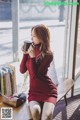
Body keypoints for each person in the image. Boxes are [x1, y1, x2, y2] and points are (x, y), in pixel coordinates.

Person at [20, 24, 58, 120]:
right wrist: (25, 55)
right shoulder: (31, 49)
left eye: (34, 36)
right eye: (31, 35)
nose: (31, 38)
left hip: (48, 91)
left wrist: (32, 57)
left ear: (41, 37)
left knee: (46, 116)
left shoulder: (49, 55)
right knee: (36, 112)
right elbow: (22, 70)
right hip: (34, 91)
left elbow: (35, 76)